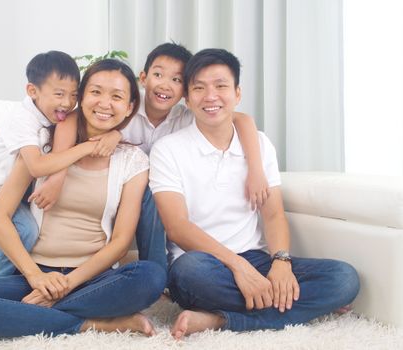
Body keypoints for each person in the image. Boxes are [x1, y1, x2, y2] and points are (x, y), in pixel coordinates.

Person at [0, 59, 165, 337]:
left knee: (150, 277)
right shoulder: (40, 144)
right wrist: (35, 276)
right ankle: (89, 323)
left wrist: (66, 286)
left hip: (90, 277)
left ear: (129, 107)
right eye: (96, 92)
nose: (105, 103)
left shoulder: (133, 162)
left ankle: (32, 315)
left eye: (116, 96)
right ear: (81, 97)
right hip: (37, 274)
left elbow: (119, 243)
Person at [149, 48, 360, 339]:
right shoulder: (168, 149)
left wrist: (281, 263)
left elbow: (273, 214)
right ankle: (288, 306)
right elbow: (177, 226)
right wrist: (238, 268)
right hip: (203, 263)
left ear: (237, 94)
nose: (211, 96)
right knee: (188, 272)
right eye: (199, 88)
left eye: (221, 86)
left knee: (344, 279)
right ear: (188, 98)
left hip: (256, 258)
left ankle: (220, 320)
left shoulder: (259, 144)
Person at [122, 43, 270, 272]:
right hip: (120, 184)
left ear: (185, 93)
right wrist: (112, 135)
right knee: (149, 189)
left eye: (177, 80)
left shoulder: (188, 116)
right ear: (143, 78)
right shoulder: (127, 106)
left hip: (157, 191)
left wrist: (256, 169)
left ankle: (157, 273)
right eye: (158, 74)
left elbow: (241, 120)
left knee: (154, 192)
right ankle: (157, 272)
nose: (165, 84)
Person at [0, 51, 118, 279]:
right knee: (26, 230)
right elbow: (37, 167)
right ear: (32, 91)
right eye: (59, 94)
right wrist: (87, 147)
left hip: (25, 187)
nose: (67, 103)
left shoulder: (58, 115)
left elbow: (97, 116)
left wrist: (114, 134)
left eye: (73, 95)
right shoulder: (22, 119)